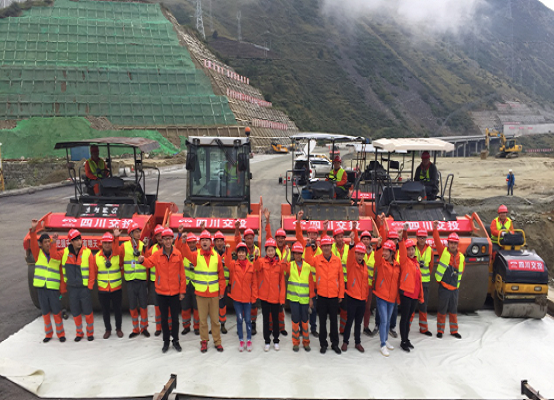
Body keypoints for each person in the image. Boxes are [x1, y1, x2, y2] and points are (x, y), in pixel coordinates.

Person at [139, 228, 186, 353]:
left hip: (175, 292)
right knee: (164, 319)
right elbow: (149, 263)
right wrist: (142, 260)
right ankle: (166, 341)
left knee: (175, 319)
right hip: (161, 292)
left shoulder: (178, 254)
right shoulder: (157, 254)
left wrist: (182, 291)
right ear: (162, 241)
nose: (168, 241)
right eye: (165, 239)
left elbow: (182, 274)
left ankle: (175, 340)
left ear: (172, 240)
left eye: (170, 238)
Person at [179, 230, 226, 353]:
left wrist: (222, 291)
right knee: (203, 321)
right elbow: (186, 253)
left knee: (215, 320)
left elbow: (221, 276)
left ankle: (217, 341)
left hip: (214, 294)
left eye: (207, 240)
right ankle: (204, 341)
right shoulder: (196, 255)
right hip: (200, 294)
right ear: (200, 243)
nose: (205, 242)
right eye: (203, 240)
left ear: (210, 242)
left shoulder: (217, 256)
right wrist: (183, 242)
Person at [305, 236, 344, 355]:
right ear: (321, 247)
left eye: (328, 245)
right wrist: (307, 246)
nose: (326, 248)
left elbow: (341, 279)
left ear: (331, 246)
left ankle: (335, 343)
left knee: (333, 321)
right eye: (324, 246)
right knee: (322, 321)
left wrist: (340, 294)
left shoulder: (337, 260)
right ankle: (323, 344)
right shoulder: (317, 259)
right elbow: (307, 259)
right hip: (321, 295)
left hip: (333, 295)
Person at [54, 229, 95, 342]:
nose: (79, 241)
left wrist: (90, 286)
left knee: (88, 312)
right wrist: (53, 243)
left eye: (79, 239)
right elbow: (54, 256)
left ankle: (90, 333)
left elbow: (92, 270)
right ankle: (79, 333)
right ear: (71, 242)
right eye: (76, 240)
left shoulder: (87, 252)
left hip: (84, 288)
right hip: (72, 288)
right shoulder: (65, 253)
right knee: (75, 312)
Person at [29, 220, 66, 343]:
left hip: (53, 288)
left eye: (48, 242)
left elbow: (55, 256)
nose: (47, 244)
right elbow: (33, 242)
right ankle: (48, 334)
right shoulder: (38, 254)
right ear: (41, 244)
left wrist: (54, 243)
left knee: (57, 312)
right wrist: (33, 230)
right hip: (42, 288)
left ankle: (60, 334)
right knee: (45, 312)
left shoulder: (56, 254)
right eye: (45, 242)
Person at [89, 230, 123, 340]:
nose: (107, 245)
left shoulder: (117, 255)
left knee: (118, 310)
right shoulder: (97, 257)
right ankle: (107, 329)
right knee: (105, 311)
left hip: (116, 288)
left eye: (109, 242)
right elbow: (93, 272)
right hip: (103, 289)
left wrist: (117, 237)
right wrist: (90, 286)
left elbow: (121, 268)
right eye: (105, 243)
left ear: (112, 243)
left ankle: (118, 328)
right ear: (102, 244)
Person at [433, 221, 464, 339]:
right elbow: (436, 241)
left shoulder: (461, 257)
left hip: (454, 289)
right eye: (451, 243)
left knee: (453, 310)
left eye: (455, 243)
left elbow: (461, 271)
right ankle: (440, 330)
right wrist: (435, 229)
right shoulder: (443, 252)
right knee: (442, 309)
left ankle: (454, 331)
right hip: (444, 287)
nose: (453, 245)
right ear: (448, 243)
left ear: (457, 244)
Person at [282, 241, 315, 352]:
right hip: (294, 299)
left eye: (299, 253)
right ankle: (295, 343)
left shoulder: (307, 267)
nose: (297, 255)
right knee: (295, 321)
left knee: (305, 321)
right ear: (293, 254)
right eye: (295, 253)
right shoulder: (290, 265)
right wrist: (286, 254)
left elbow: (311, 283)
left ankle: (306, 343)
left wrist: (311, 298)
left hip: (305, 299)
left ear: (302, 254)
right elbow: (282, 268)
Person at [225, 242, 258, 352]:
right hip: (237, 298)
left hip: (247, 298)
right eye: (239, 252)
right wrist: (228, 250)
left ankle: (248, 340)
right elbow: (228, 262)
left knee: (248, 320)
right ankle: (241, 340)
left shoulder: (251, 266)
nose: (241, 254)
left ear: (246, 254)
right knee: (239, 319)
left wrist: (254, 297)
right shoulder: (234, 265)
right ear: (237, 253)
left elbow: (254, 283)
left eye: (243, 252)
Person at [255, 238, 286, 351]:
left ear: (275, 251)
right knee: (266, 320)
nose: (270, 252)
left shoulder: (279, 264)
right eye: (268, 250)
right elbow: (256, 268)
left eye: (272, 250)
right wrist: (257, 257)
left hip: (275, 297)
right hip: (264, 297)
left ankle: (276, 340)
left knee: (276, 320)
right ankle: (267, 341)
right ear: (266, 251)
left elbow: (282, 282)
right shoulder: (262, 261)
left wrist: (281, 298)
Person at [120, 222, 150, 339]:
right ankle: (135, 329)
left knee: (143, 305)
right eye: (136, 232)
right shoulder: (124, 246)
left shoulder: (143, 245)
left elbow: (147, 260)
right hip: (131, 281)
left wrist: (146, 248)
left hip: (141, 281)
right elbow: (119, 258)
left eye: (139, 232)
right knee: (132, 306)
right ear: (131, 234)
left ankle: (144, 328)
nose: (138, 234)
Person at [295, 210, 321, 337]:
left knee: (314, 309)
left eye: (315, 234)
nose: (312, 236)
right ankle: (301, 328)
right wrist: (298, 221)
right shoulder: (304, 245)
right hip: (305, 283)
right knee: (303, 308)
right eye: (310, 233)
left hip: (316, 285)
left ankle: (313, 328)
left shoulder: (321, 250)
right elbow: (298, 235)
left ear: (317, 236)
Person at [373, 238, 401, 357]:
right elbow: (377, 256)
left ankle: (385, 339)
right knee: (383, 320)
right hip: (381, 296)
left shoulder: (397, 266)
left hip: (392, 298)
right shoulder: (381, 263)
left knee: (388, 321)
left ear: (392, 252)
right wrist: (379, 246)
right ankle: (382, 344)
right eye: (383, 250)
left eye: (386, 251)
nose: (384, 253)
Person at [341, 242, 370, 353]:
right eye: (358, 254)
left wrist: (366, 297)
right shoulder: (351, 264)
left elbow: (366, 283)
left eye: (362, 254)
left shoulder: (365, 267)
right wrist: (352, 243)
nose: (360, 256)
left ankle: (358, 342)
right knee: (349, 321)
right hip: (352, 297)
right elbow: (350, 254)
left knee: (358, 323)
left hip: (362, 299)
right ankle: (345, 341)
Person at [264, 208, 289, 336]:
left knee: (281, 305)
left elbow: (289, 265)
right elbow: (268, 235)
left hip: (283, 279)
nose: (280, 239)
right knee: (270, 306)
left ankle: (281, 327)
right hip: (273, 278)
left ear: (284, 239)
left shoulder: (287, 250)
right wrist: (267, 221)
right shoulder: (272, 247)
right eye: (278, 237)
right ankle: (269, 327)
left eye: (282, 238)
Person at [398, 233, 424, 352]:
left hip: (414, 295)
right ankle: (403, 341)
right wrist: (400, 239)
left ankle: (406, 338)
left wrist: (420, 295)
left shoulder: (416, 263)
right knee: (404, 318)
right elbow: (402, 252)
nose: (411, 252)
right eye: (409, 250)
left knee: (408, 319)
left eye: (412, 249)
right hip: (406, 294)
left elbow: (419, 281)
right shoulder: (404, 261)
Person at [234, 224, 260, 335]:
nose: (249, 240)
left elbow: (258, 267)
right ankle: (239, 325)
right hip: (241, 282)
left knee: (253, 306)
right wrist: (237, 229)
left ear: (253, 238)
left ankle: (253, 324)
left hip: (253, 280)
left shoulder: (257, 250)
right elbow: (236, 240)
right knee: (240, 306)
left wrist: (257, 258)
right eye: (247, 238)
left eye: (251, 238)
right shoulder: (242, 249)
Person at [146, 224, 171, 336]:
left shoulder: (170, 249)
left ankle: (169, 326)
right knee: (157, 306)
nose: (160, 237)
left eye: (161, 234)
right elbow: (146, 261)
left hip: (167, 281)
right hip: (155, 282)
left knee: (168, 306)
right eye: (157, 236)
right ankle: (158, 327)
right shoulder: (152, 250)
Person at [175, 232, 200, 336]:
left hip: (196, 285)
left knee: (196, 308)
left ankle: (197, 327)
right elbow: (176, 246)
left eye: (193, 242)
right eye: (190, 243)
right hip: (185, 285)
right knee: (185, 307)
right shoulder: (182, 253)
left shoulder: (199, 254)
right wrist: (180, 236)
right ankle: (186, 327)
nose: (192, 244)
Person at [415, 228, 433, 336]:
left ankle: (423, 328)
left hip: (425, 282)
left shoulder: (429, 250)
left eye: (424, 238)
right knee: (411, 306)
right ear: (417, 238)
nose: (422, 240)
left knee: (423, 305)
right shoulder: (412, 248)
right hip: (413, 282)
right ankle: (407, 327)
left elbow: (430, 266)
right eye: (420, 237)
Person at [213, 230, 230, 335]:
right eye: (217, 241)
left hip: (224, 285)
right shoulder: (211, 253)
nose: (219, 243)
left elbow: (231, 269)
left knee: (222, 306)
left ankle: (222, 324)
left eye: (221, 241)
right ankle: (214, 326)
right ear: (214, 243)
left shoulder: (228, 253)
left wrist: (230, 284)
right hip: (213, 284)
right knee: (213, 307)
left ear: (224, 242)